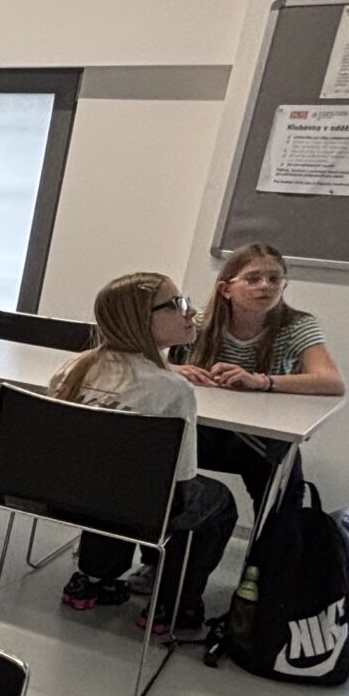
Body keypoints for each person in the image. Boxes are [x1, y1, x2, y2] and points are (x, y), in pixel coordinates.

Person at [51, 272, 238, 638]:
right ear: (140, 319)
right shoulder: (173, 389)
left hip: (63, 495)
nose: (191, 311)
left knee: (108, 477)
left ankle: (92, 579)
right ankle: (174, 602)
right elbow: (181, 480)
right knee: (216, 500)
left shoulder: (72, 369)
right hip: (133, 507)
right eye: (177, 304)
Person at [177, 243, 346, 515]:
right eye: (253, 278)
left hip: (256, 435)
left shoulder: (297, 325)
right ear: (226, 289)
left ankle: (270, 542)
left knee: (283, 484)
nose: (265, 286)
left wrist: (262, 382)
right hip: (201, 428)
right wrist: (173, 369)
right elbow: (136, 353)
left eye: (274, 279)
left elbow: (331, 381)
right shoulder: (200, 322)